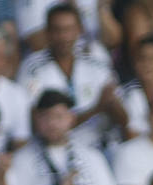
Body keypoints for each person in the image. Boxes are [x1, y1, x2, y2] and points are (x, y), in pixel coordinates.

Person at [16, 3, 118, 148]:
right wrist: (96, 109)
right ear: (47, 32)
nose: (63, 36)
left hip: (97, 146)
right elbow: (36, 124)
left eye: (69, 29)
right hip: (50, 149)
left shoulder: (96, 61)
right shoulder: (32, 68)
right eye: (57, 30)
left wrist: (113, 105)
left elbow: (122, 118)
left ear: (80, 30)